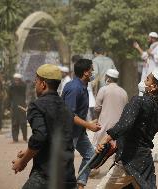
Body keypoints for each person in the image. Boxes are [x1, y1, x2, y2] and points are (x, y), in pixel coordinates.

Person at [11, 64, 76, 189]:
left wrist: (23, 162)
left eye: (36, 81)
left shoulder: (36, 105)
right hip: (68, 177)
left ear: (43, 84)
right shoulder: (65, 107)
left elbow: (40, 136)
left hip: (46, 177)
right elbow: (55, 138)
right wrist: (27, 151)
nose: (35, 84)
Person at [62, 59, 101, 189]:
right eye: (91, 70)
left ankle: (80, 184)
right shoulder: (74, 88)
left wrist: (88, 124)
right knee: (65, 162)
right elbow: (69, 115)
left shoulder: (83, 87)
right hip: (68, 133)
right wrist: (88, 125)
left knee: (91, 156)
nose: (93, 72)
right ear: (85, 72)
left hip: (78, 132)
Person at [93, 69, 128, 147]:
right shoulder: (123, 92)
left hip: (104, 128)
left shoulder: (103, 90)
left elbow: (97, 108)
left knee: (99, 151)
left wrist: (97, 119)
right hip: (118, 129)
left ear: (107, 78)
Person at [133, 32, 158, 104]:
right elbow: (145, 56)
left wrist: (151, 54)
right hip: (149, 72)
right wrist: (138, 47)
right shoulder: (152, 47)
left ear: (153, 38)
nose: (148, 39)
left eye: (149, 38)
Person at [8, 73, 27, 142]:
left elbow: (25, 93)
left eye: (18, 79)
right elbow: (9, 97)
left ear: (20, 80)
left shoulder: (23, 85)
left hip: (22, 106)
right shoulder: (11, 86)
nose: (16, 81)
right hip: (14, 106)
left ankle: (25, 138)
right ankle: (15, 139)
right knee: (14, 123)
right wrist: (8, 106)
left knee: (23, 123)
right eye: (15, 79)